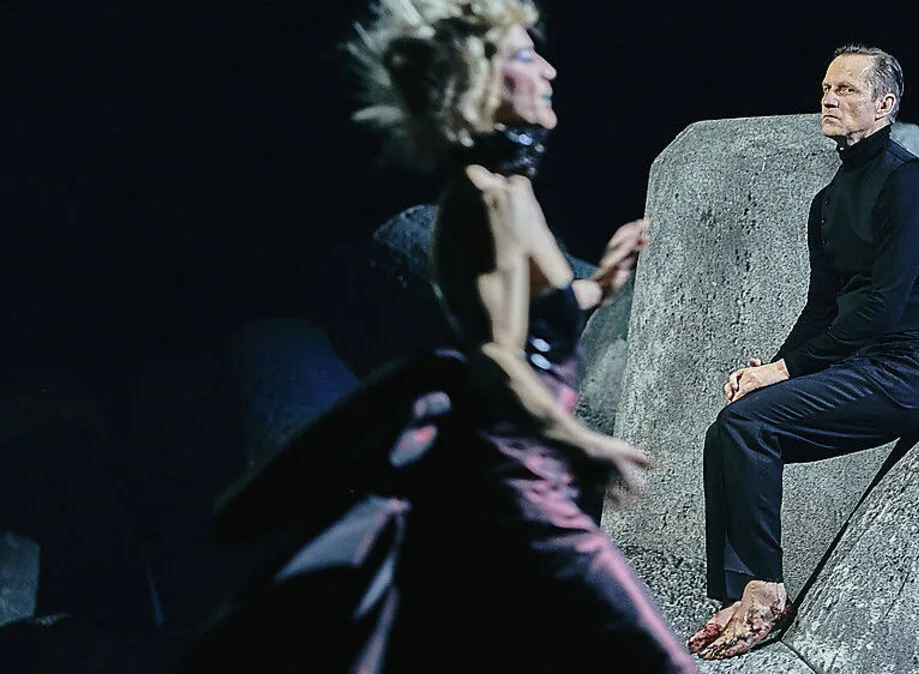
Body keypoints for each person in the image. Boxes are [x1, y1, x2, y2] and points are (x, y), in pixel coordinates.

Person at [181, 1, 695, 672]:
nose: (548, 69)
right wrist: (582, 441)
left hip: (524, 473)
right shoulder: (483, 201)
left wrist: (599, 282)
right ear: (477, 84)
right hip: (518, 479)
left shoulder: (511, 193)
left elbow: (535, 320)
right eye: (523, 56)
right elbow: (497, 355)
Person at [686, 44, 919, 660]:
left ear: (885, 105)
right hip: (860, 362)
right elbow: (821, 309)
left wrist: (786, 370)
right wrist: (769, 370)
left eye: (846, 89)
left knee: (749, 427)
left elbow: (884, 305)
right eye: (826, 89)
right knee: (729, 428)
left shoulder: (913, 183)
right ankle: (736, 593)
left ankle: (764, 594)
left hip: (906, 368)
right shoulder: (829, 202)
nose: (828, 99)